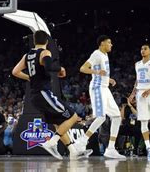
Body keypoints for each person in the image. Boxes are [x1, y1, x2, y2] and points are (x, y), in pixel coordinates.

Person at [12, 30, 91, 160]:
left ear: (34, 41)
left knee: (58, 123)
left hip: (34, 96)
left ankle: (73, 151)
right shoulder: (45, 52)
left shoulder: (27, 55)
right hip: (44, 93)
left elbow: (15, 71)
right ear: (47, 41)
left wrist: (30, 78)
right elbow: (48, 66)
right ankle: (52, 142)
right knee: (73, 117)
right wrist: (61, 69)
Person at [74, 35, 126, 159]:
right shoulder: (96, 54)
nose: (111, 45)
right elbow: (83, 68)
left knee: (117, 117)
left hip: (105, 88)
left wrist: (108, 79)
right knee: (101, 117)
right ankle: (81, 142)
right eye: (109, 42)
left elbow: (102, 73)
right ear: (102, 43)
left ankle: (111, 148)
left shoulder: (105, 55)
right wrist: (97, 72)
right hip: (97, 88)